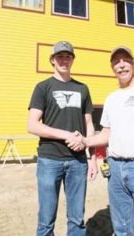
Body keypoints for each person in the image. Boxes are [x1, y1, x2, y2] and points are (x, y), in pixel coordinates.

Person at [67, 45, 134, 236]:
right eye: (117, 62)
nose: (121, 65)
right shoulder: (111, 99)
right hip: (115, 171)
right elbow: (105, 135)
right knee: (123, 229)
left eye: (125, 60)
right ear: (112, 68)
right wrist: (84, 140)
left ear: (133, 63)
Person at [27, 40, 97, 236]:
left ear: (73, 60)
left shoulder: (83, 88)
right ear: (52, 60)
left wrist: (92, 158)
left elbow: (89, 125)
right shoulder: (43, 87)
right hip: (49, 160)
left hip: (78, 161)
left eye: (68, 56)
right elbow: (32, 125)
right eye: (60, 56)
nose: (64, 60)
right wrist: (66, 134)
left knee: (77, 220)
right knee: (46, 221)